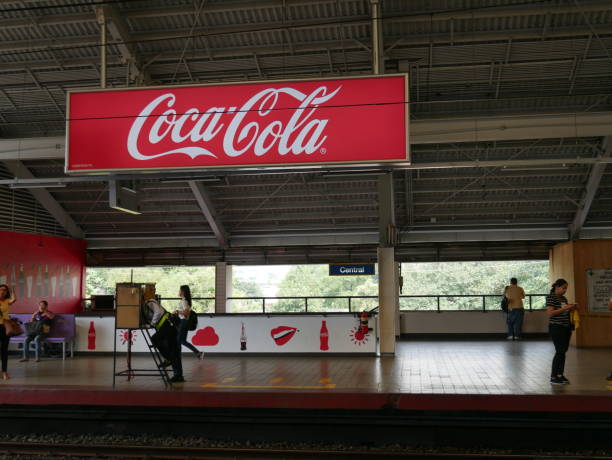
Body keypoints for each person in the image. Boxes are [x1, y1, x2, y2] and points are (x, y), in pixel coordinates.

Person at [142, 298, 184, 383]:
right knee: (174, 351)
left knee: (156, 340)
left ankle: (169, 360)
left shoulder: (150, 303)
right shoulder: (144, 307)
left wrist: (151, 324)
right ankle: (178, 375)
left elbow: (157, 312)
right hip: (167, 326)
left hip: (168, 325)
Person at [546, 278, 577, 385]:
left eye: (566, 288)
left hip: (565, 328)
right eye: (563, 288)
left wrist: (571, 308)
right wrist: (565, 308)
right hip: (556, 327)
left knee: (563, 351)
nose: (565, 290)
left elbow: (565, 311)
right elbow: (551, 313)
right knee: (559, 351)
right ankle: (553, 377)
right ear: (557, 287)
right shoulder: (551, 297)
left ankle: (560, 374)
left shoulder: (563, 298)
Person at [174, 285, 202, 359]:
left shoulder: (184, 301)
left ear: (183, 292)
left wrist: (177, 311)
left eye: (179, 290)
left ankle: (177, 357)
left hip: (183, 322)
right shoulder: (185, 301)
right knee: (183, 341)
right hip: (185, 322)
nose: (178, 291)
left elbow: (186, 313)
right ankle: (198, 353)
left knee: (178, 341)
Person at [0, 284, 17, 380]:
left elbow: (14, 299)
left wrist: (12, 289)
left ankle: (4, 372)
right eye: (1, 289)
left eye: (5, 290)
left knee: (4, 350)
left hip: (5, 327)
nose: (2, 291)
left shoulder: (7, 301)